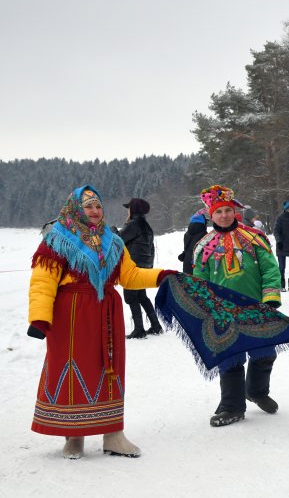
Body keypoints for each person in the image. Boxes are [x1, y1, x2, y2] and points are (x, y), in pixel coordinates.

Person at [27, 185, 175, 459]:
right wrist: (39, 317)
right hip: (70, 314)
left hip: (106, 311)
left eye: (98, 206)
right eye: (88, 206)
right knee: (73, 369)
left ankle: (113, 435)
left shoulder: (112, 240)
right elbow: (43, 279)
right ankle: (74, 436)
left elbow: (129, 275)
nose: (95, 211)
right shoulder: (58, 238)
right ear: (75, 209)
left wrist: (161, 276)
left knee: (110, 368)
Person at [192, 185, 283, 427]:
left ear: (235, 211)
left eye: (228, 210)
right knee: (230, 358)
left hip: (256, 308)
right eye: (219, 211)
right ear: (211, 215)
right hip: (223, 311)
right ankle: (232, 406)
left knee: (265, 353)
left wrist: (270, 297)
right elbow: (200, 280)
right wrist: (207, 307)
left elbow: (270, 269)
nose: (224, 215)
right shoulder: (204, 246)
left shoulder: (254, 238)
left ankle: (257, 391)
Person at [119, 198, 163, 338]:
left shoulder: (133, 224)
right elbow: (151, 249)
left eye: (129, 208)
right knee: (142, 296)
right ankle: (156, 326)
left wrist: (112, 229)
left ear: (133, 209)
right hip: (144, 266)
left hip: (133, 266)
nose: (127, 211)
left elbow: (118, 240)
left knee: (131, 297)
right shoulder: (146, 225)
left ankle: (139, 329)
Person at [177, 209, 208, 275]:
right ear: (203, 223)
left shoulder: (187, 234)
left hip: (187, 264)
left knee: (188, 282)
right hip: (198, 266)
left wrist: (184, 254)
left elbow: (188, 248)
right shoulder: (205, 235)